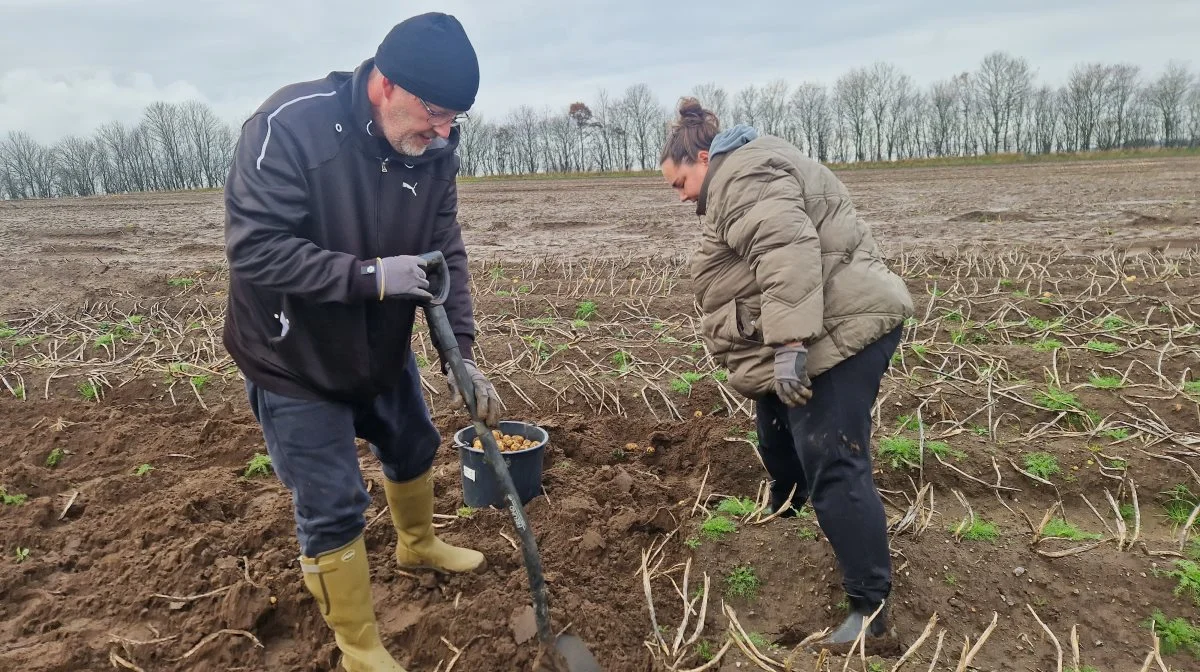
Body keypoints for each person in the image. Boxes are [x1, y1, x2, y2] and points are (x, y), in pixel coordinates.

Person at [221, 12, 502, 672]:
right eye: (435, 112)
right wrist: (371, 277)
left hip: (377, 344)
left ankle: (417, 544)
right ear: (384, 85)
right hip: (291, 353)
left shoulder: (433, 148)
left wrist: (458, 348)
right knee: (334, 502)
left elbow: (444, 253)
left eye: (455, 118)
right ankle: (358, 647)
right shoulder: (288, 127)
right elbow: (256, 250)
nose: (444, 131)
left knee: (413, 443)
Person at [659, 98, 914, 650]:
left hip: (841, 330)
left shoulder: (744, 175)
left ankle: (870, 611)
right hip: (825, 323)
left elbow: (786, 250)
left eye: (678, 181)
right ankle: (787, 502)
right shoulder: (742, 178)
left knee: (835, 460)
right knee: (774, 422)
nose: (679, 196)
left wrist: (790, 345)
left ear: (703, 158)